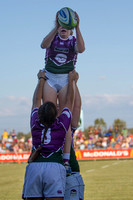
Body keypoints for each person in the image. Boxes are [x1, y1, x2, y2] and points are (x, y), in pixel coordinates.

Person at [22, 69, 78, 200]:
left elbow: (36, 100)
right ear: (56, 115)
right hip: (55, 167)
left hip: (34, 167)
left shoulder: (35, 123)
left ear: (40, 114)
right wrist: (71, 81)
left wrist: (41, 79)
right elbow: (69, 102)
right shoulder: (61, 125)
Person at [41, 10, 85, 171]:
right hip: (51, 78)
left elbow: (81, 49)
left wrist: (78, 27)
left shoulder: (73, 40)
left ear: (71, 28)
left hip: (66, 79)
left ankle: (65, 161)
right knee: (50, 116)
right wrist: (56, 26)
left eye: (66, 27)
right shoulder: (52, 38)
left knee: (66, 121)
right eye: (61, 26)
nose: (63, 29)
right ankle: (48, 152)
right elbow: (43, 45)